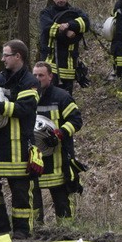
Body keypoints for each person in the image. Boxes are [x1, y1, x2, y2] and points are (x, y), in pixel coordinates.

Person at [0, 39, 41, 239]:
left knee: (20, 189)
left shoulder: (30, 82)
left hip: (20, 145)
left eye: (6, 55)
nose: (2, 58)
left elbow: (24, 109)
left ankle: (22, 229)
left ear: (18, 57)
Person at [32, 61, 84, 224]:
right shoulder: (27, 96)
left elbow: (76, 120)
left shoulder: (62, 97)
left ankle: (66, 231)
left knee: (61, 197)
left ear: (50, 77)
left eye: (41, 75)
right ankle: (35, 229)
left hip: (58, 158)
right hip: (34, 157)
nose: (37, 79)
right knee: (33, 197)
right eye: (34, 75)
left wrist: (60, 133)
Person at [38, 0, 91, 93]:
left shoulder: (75, 12)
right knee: (50, 96)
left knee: (66, 98)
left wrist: (68, 24)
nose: (61, 0)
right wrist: (66, 32)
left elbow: (86, 24)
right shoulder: (46, 13)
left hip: (69, 64)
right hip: (50, 64)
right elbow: (47, 28)